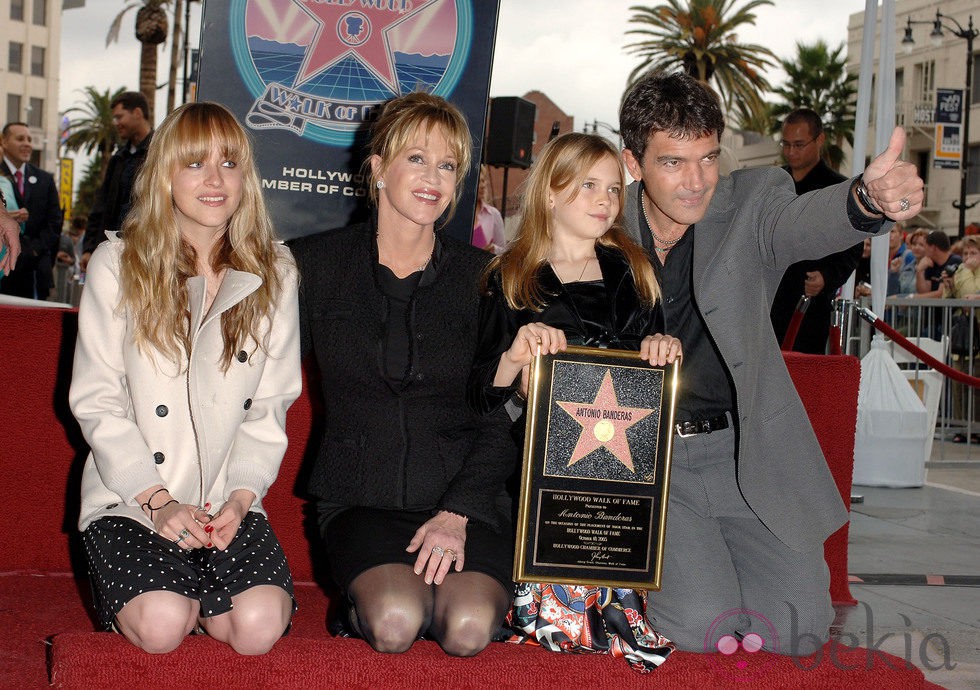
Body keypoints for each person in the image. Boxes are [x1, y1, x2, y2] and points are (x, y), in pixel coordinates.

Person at [618, 70, 923, 654]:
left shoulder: (750, 205)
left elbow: (806, 222)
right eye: (673, 162)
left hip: (745, 458)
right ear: (634, 163)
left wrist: (866, 199)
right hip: (651, 463)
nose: (696, 182)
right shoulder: (604, 220)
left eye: (708, 158)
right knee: (703, 626)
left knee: (798, 630)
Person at [69, 102, 301, 655]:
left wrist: (240, 501)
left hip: (225, 501)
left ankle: (197, 591)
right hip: (132, 498)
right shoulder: (118, 264)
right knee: (162, 626)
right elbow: (98, 402)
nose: (216, 180)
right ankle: (173, 596)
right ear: (164, 174)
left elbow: (271, 404)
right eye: (195, 164)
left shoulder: (276, 271)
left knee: (260, 629)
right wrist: (158, 503)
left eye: (229, 162)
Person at [290, 92, 515, 657]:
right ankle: (358, 607)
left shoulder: (485, 278)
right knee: (395, 621)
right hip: (359, 496)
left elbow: (503, 415)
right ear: (377, 168)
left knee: (466, 630)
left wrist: (459, 512)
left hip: (467, 500)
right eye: (416, 159)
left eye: (447, 165)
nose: (432, 178)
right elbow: (249, 373)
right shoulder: (312, 265)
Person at [468, 132, 681, 671]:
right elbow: (479, 393)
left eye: (613, 188)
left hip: (623, 476)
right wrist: (516, 360)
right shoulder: (509, 279)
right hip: (534, 474)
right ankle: (541, 612)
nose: (605, 200)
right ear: (550, 194)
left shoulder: (638, 277)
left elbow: (657, 380)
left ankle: (616, 609)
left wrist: (662, 349)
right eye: (588, 185)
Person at [770, 108, 863, 353]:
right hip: (767, 300)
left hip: (809, 304)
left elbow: (853, 245)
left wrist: (826, 277)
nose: (791, 152)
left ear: (819, 140)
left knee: (803, 379)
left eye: (799, 144)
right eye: (786, 144)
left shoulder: (838, 189)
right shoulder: (773, 184)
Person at [81, 91, 154, 268]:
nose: (116, 123)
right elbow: (101, 206)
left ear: (137, 113)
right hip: (112, 254)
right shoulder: (118, 159)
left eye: (119, 117)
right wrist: (89, 248)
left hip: (148, 255)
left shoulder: (161, 153)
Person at [0, 122, 63, 299]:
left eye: (29, 139)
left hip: (35, 272)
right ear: (4, 142)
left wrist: (34, 249)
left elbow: (55, 221)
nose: (27, 143)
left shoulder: (45, 179)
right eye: (20, 138)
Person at [916, 230, 961, 298]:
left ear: (933, 248)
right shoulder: (930, 263)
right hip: (932, 308)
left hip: (949, 307)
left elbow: (941, 293)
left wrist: (913, 297)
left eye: (925, 246)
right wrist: (919, 271)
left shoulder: (955, 261)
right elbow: (924, 292)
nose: (924, 249)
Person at [472, 164, 505, 254]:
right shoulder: (458, 215)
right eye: (479, 181)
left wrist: (494, 249)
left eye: (483, 181)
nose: (483, 185)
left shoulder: (494, 214)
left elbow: (503, 252)